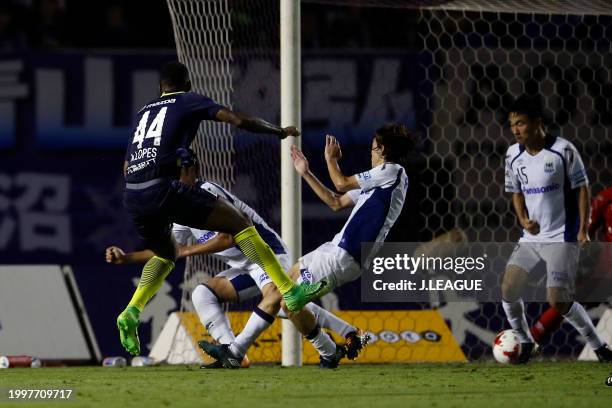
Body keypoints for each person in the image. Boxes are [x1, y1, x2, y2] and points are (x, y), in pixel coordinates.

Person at [117, 61, 325, 356]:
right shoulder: (189, 100)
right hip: (163, 187)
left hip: (133, 195)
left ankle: (131, 311)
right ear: (187, 83)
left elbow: (127, 166)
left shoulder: (143, 113)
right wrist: (278, 131)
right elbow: (237, 120)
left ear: (159, 87)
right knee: (240, 225)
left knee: (167, 254)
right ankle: (290, 292)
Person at [107, 154, 366, 366]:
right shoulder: (178, 210)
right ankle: (232, 352)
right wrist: (127, 258)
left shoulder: (207, 191)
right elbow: (168, 250)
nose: (176, 177)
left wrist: (186, 252)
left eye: (180, 171)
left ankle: (344, 336)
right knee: (202, 293)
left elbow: (227, 238)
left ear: (192, 170)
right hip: (243, 267)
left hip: (268, 254)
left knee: (284, 303)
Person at [199, 123, 417, 368]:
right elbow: (335, 202)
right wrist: (305, 172)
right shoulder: (379, 183)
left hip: (345, 256)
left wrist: (330, 159)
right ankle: (339, 342)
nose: (370, 152)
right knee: (283, 297)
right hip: (334, 249)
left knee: (286, 300)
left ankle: (236, 351)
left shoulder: (393, 171)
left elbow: (341, 183)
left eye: (373, 147)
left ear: (383, 149)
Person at [501, 94, 612, 363]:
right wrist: (523, 219)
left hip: (562, 236)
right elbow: (515, 191)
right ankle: (526, 342)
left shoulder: (563, 150)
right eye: (512, 124)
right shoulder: (512, 154)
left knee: (558, 301)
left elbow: (582, 189)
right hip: (531, 236)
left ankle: (599, 347)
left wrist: (583, 230)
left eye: (521, 123)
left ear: (538, 122)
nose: (515, 130)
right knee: (508, 288)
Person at [529, 186, 612, 346]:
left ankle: (533, 338)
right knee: (568, 299)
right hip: (605, 269)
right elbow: (584, 232)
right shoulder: (606, 197)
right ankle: (532, 339)